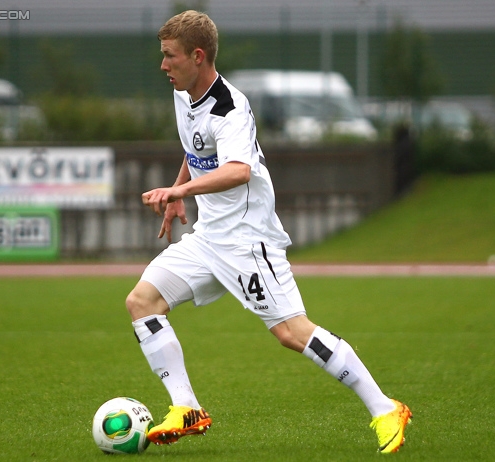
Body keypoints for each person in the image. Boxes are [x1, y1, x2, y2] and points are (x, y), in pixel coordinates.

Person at [126, 10, 411, 453]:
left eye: (170, 56)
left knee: (292, 334)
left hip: (246, 240)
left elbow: (238, 171)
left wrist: (176, 188)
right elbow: (196, 147)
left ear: (197, 57)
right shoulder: (183, 93)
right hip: (208, 238)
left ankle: (385, 408)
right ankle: (187, 408)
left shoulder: (230, 107)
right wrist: (181, 189)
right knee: (142, 302)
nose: (163, 65)